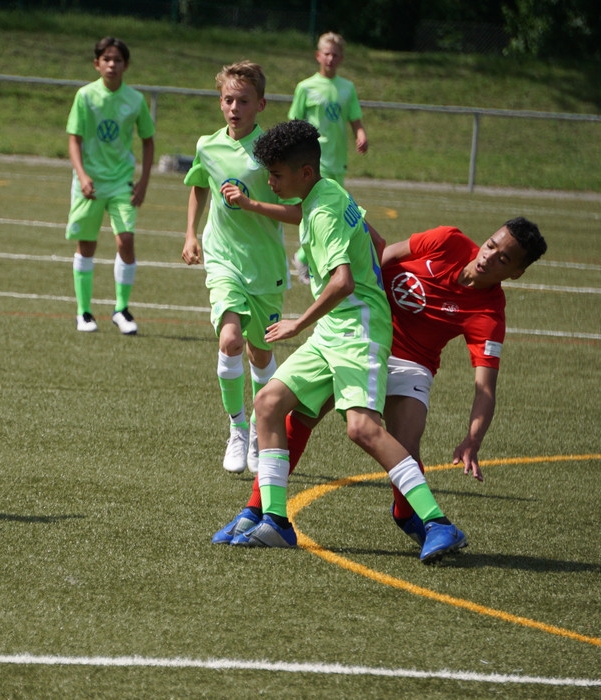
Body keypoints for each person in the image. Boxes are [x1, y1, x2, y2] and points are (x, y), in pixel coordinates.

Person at [215, 217, 547, 552]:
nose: (489, 256)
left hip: (410, 362)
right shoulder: (448, 241)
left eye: (503, 258)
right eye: (491, 244)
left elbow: (485, 389)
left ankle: (411, 516)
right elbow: (381, 257)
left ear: (515, 273)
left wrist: (472, 440)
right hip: (362, 335)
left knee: (404, 442)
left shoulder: (489, 313)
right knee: (299, 416)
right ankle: (258, 511)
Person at [227, 119, 466, 563]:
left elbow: (342, 281)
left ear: (303, 172)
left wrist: (298, 324)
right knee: (268, 403)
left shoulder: (323, 210)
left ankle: (437, 522)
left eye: (276, 175)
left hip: (357, 330)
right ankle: (275, 521)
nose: (271, 181)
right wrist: (257, 204)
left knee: (362, 428)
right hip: (335, 328)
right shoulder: (327, 189)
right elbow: (369, 240)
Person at [181, 61, 301, 474]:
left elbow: (295, 212)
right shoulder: (207, 145)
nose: (234, 107)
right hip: (223, 259)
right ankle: (236, 427)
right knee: (229, 340)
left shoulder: (272, 152)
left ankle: (258, 428)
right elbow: (199, 183)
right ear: (220, 102)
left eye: (243, 101)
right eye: (228, 100)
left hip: (264, 266)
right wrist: (191, 234)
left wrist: (250, 204)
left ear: (261, 104)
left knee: (259, 350)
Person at [66, 36, 155, 335]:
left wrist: (143, 181)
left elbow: (148, 140)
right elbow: (74, 139)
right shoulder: (85, 96)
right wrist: (82, 175)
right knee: (87, 245)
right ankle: (84, 312)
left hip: (121, 182)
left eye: (117, 60)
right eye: (106, 59)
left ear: (126, 65)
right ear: (97, 63)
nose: (112, 64)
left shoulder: (135, 100)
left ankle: (121, 308)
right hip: (89, 182)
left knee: (125, 241)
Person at [288, 32, 368, 284]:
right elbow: (294, 122)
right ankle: (306, 258)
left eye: (335, 54)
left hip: (336, 162)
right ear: (318, 56)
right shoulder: (306, 87)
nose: (330, 58)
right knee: (311, 211)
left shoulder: (347, 88)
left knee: (332, 212)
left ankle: (304, 257)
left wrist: (361, 134)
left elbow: (355, 118)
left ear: (341, 58)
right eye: (326, 53)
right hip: (312, 163)